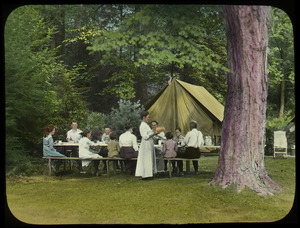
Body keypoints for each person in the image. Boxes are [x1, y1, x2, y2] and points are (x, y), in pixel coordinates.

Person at [135, 111, 159, 180]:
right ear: (144, 117)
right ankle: (146, 175)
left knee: (149, 158)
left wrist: (153, 132)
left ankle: (149, 174)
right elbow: (145, 136)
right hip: (146, 143)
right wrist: (153, 134)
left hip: (149, 143)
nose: (148, 118)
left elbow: (148, 133)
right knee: (146, 159)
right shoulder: (142, 125)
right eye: (147, 117)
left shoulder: (146, 125)